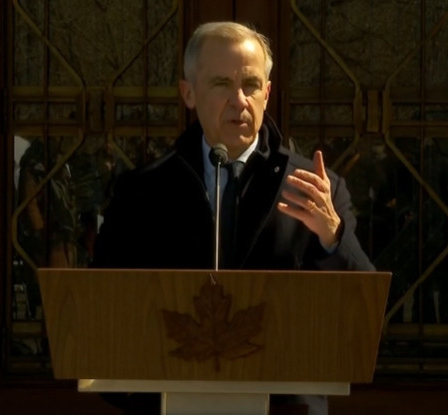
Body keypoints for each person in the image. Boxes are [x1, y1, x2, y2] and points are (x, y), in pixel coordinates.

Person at [92, 21, 374, 414]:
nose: (239, 100)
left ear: (267, 94)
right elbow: (103, 312)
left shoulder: (314, 188)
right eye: (222, 84)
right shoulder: (142, 192)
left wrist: (332, 236)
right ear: (189, 93)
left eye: (251, 85)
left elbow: (363, 312)